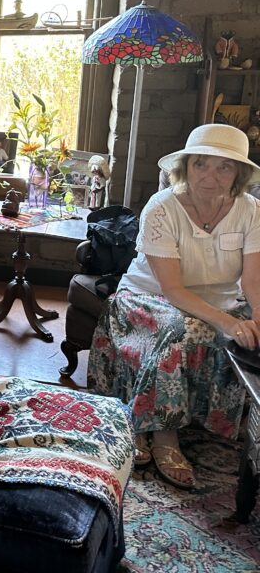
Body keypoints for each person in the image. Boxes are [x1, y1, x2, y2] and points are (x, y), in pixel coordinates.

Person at [88, 124, 260, 490]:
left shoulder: (250, 210)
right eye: (201, 165)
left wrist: (256, 320)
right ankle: (162, 434)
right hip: (150, 299)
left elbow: (252, 281)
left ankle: (205, 421)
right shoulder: (162, 207)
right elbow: (174, 289)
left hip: (222, 301)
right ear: (186, 167)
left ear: (239, 174)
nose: (210, 177)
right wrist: (228, 324)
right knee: (182, 329)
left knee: (243, 331)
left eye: (223, 167)